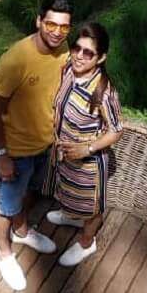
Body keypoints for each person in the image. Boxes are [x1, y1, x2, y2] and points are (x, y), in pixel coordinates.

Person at [0, 0, 73, 291]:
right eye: (51, 24)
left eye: (64, 27)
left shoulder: (64, 53)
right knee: (5, 207)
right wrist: (2, 154)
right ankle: (4, 253)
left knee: (28, 195)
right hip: (16, 151)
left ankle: (22, 232)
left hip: (44, 146)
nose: (57, 32)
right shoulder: (15, 60)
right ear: (38, 21)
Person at [44, 21, 123, 267]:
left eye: (88, 53)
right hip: (65, 156)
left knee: (92, 207)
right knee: (67, 192)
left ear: (100, 58)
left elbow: (116, 130)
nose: (79, 56)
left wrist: (86, 148)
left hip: (88, 163)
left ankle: (87, 243)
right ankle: (71, 215)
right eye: (76, 48)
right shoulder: (68, 69)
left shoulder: (104, 92)